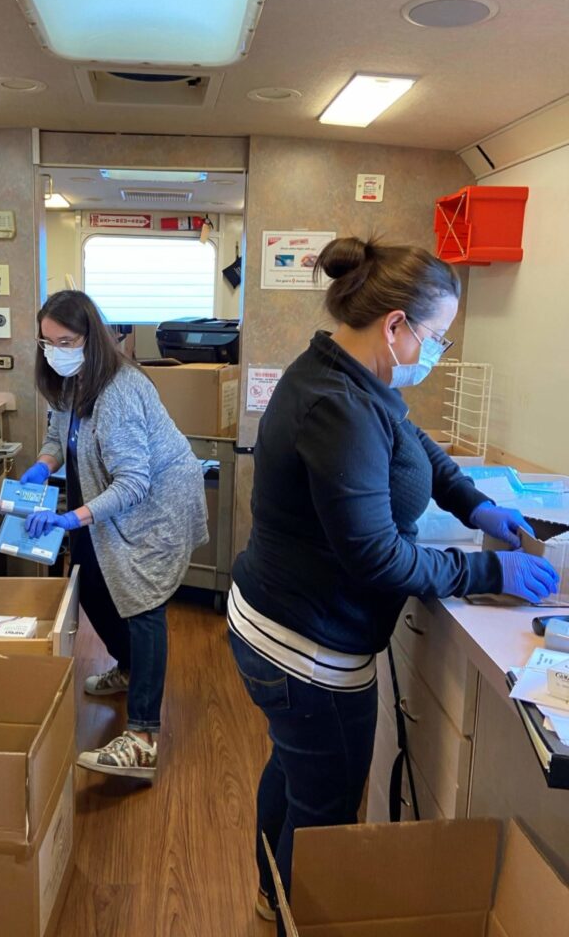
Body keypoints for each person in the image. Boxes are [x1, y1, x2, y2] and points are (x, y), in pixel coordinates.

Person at [227, 236, 559, 926]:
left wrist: (473, 502)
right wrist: (491, 566)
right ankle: (298, 916)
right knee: (324, 808)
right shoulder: (337, 405)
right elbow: (376, 557)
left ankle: (271, 893)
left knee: (295, 771)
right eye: (435, 337)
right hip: (305, 650)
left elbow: (416, 446)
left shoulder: (349, 373)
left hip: (278, 624)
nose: (436, 354)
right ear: (396, 325)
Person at [19, 290, 208, 780]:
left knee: (142, 601)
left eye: (66, 340)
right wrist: (43, 466)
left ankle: (144, 737)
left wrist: (71, 517)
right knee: (91, 580)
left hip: (157, 507)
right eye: (47, 342)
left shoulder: (120, 390)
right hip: (112, 503)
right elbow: (58, 437)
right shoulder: (69, 381)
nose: (55, 350)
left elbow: (134, 481)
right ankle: (127, 666)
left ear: (90, 339)